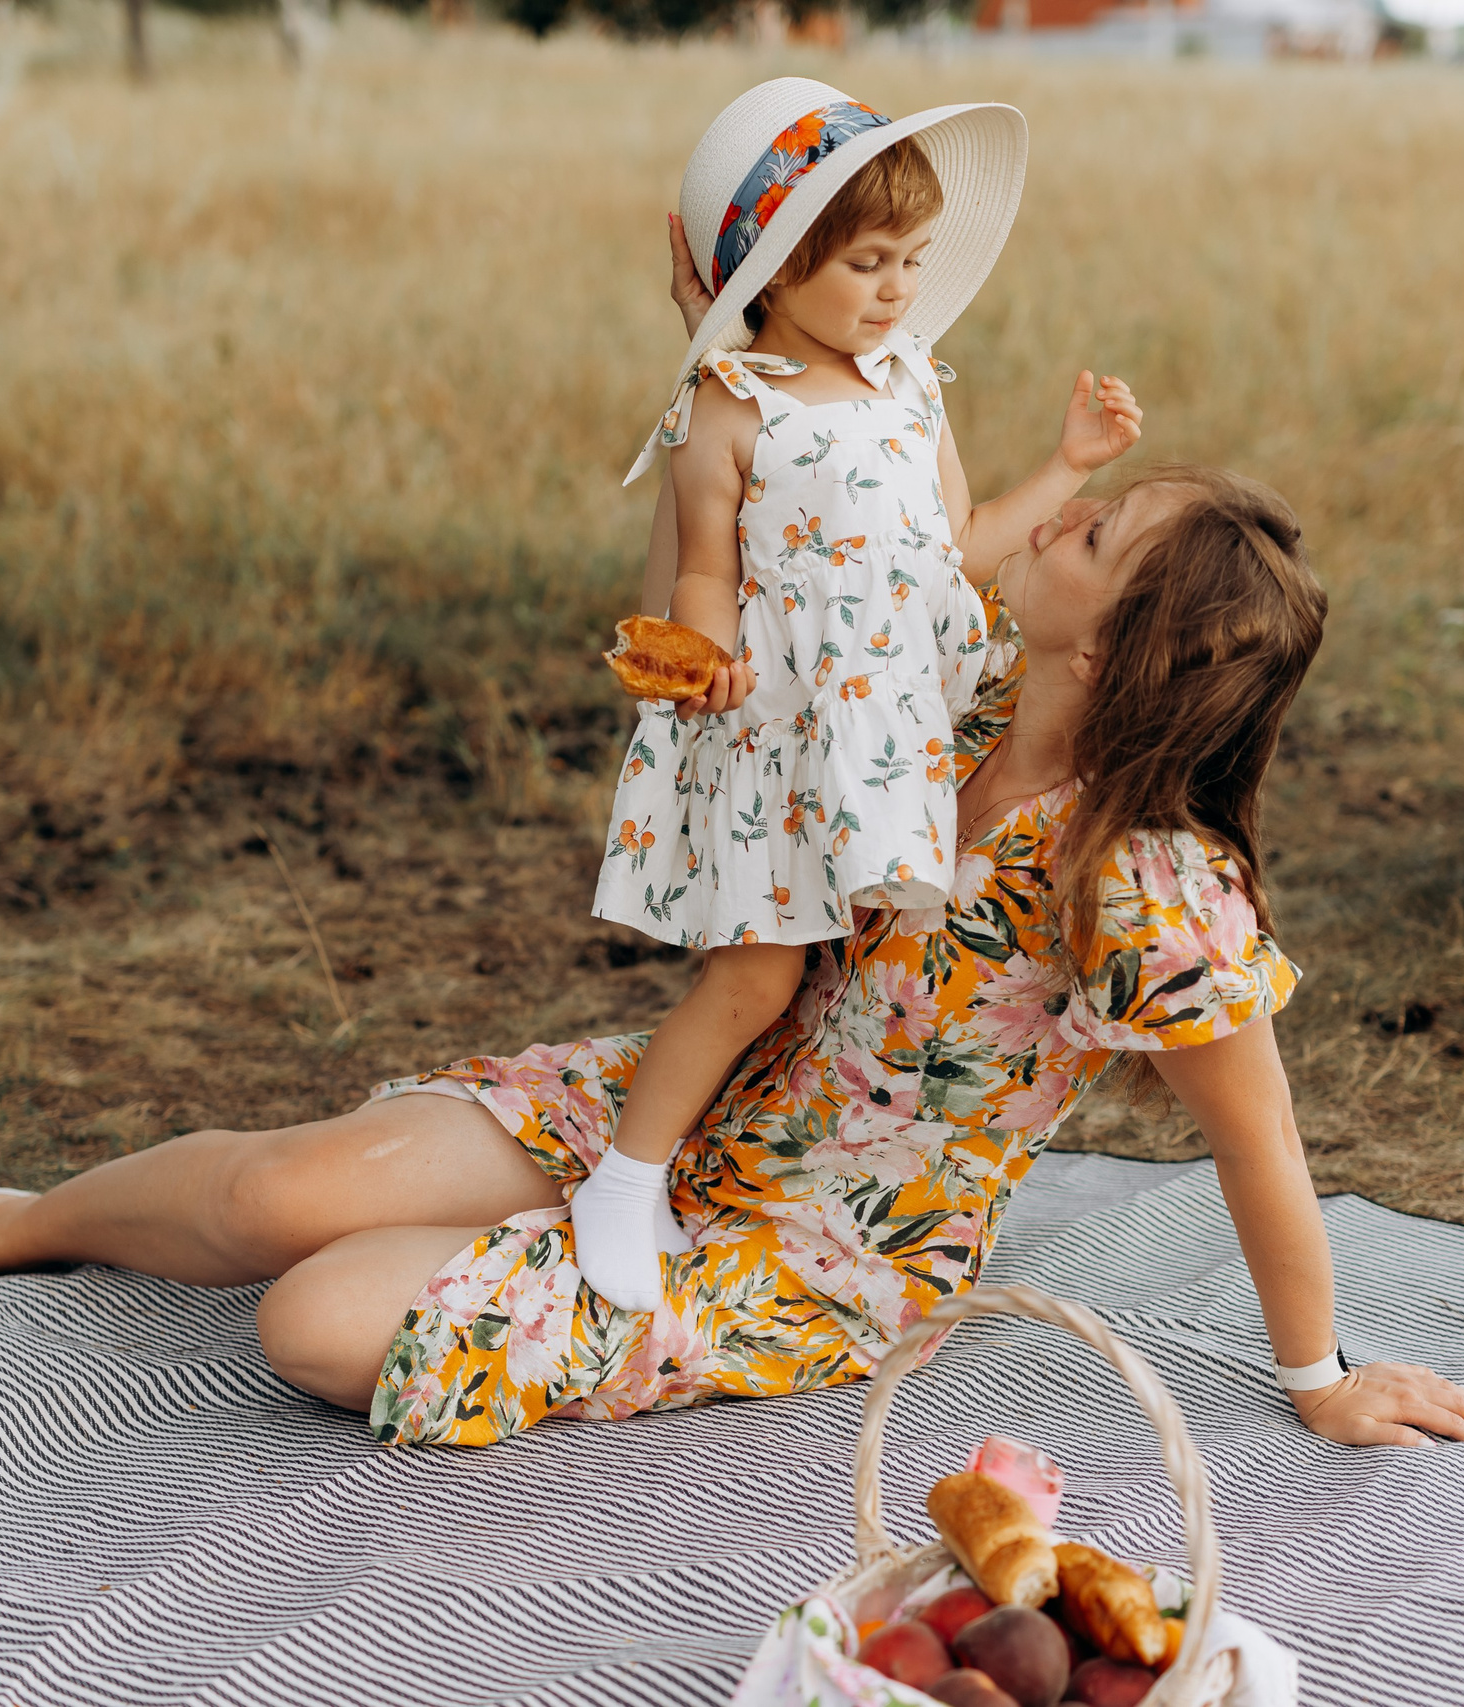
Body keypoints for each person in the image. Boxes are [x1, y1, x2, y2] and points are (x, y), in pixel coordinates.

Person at [0, 463, 1464, 1454]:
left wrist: (1319, 1374)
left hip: (819, 1246)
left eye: (1103, 529)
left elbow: (1259, 1145)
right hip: (678, 1099)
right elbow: (815, 562)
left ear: (1129, 639)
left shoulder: (1149, 886)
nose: (1069, 520)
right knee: (273, 1201)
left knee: (312, 1317)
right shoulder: (954, 684)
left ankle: (522, 1262)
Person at [577, 80, 1144, 1318]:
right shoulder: (731, 404)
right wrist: (705, 654)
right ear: (773, 271)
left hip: (893, 741)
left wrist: (1067, 467)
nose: (896, 288)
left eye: (912, 260)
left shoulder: (910, 382)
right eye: (866, 263)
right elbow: (703, 566)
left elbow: (961, 541)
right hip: (786, 737)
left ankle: (794, 1163)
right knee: (759, 978)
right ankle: (626, 1177)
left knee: (857, 971)